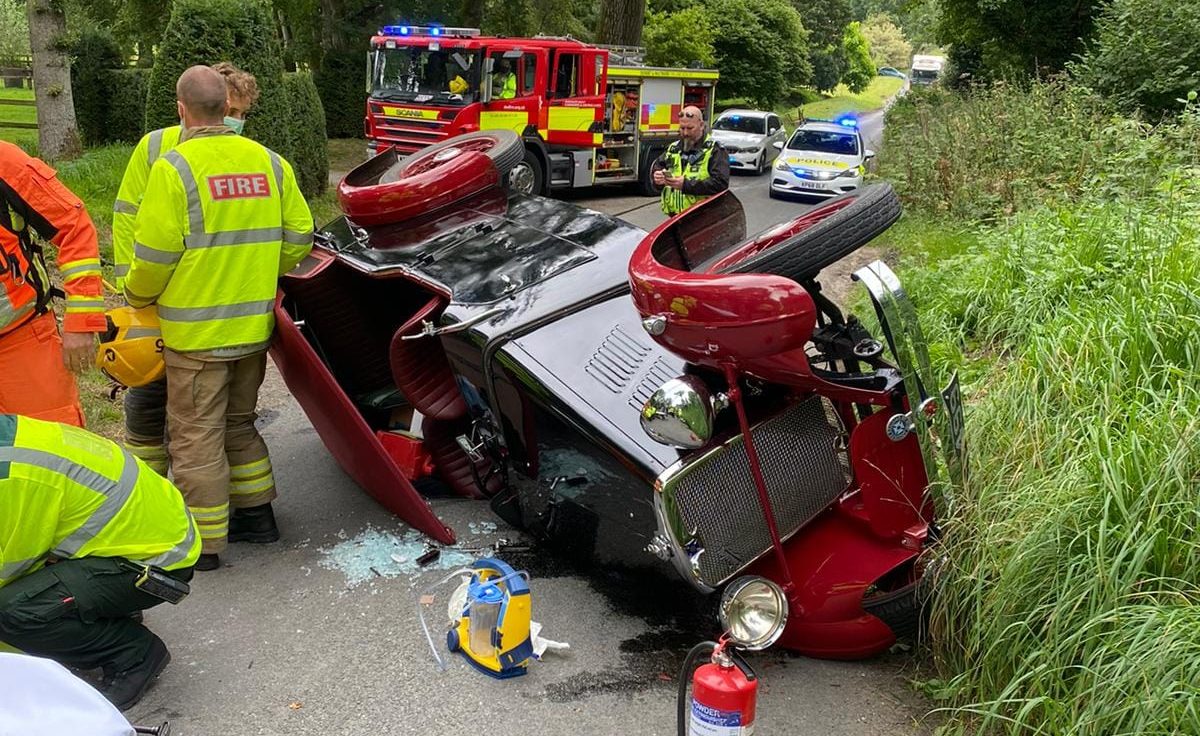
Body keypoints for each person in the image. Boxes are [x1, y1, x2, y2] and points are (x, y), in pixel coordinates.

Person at [124, 65, 313, 572]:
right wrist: (257, 273)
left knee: (194, 436)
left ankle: (202, 547)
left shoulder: (175, 169)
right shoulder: (270, 163)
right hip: (252, 330)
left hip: (195, 336)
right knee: (238, 423)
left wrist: (135, 294)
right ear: (229, 108)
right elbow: (300, 235)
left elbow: (153, 258)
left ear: (182, 110)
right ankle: (258, 518)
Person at [111, 62, 260, 477]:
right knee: (147, 398)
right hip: (160, 298)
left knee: (207, 420)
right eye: (234, 111)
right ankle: (149, 489)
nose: (238, 122)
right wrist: (136, 293)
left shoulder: (242, 155)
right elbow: (127, 217)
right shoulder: (157, 149)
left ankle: (209, 503)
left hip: (203, 307)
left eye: (245, 115)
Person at [0, 414, 200, 711]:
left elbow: (10, 567)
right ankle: (107, 616)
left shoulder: (11, 479)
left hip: (157, 562)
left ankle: (133, 654)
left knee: (12, 611)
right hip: (141, 537)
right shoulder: (10, 435)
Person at [0, 143, 105, 426]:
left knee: (55, 451)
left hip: (21, 339)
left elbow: (74, 226)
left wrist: (82, 321)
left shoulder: (5, 162)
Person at [651, 105, 730, 217]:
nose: (685, 133)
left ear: (701, 125)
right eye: (682, 128)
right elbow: (658, 166)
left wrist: (686, 185)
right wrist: (657, 177)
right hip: (674, 218)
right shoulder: (673, 148)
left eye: (690, 128)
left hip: (703, 217)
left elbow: (720, 184)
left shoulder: (715, 150)